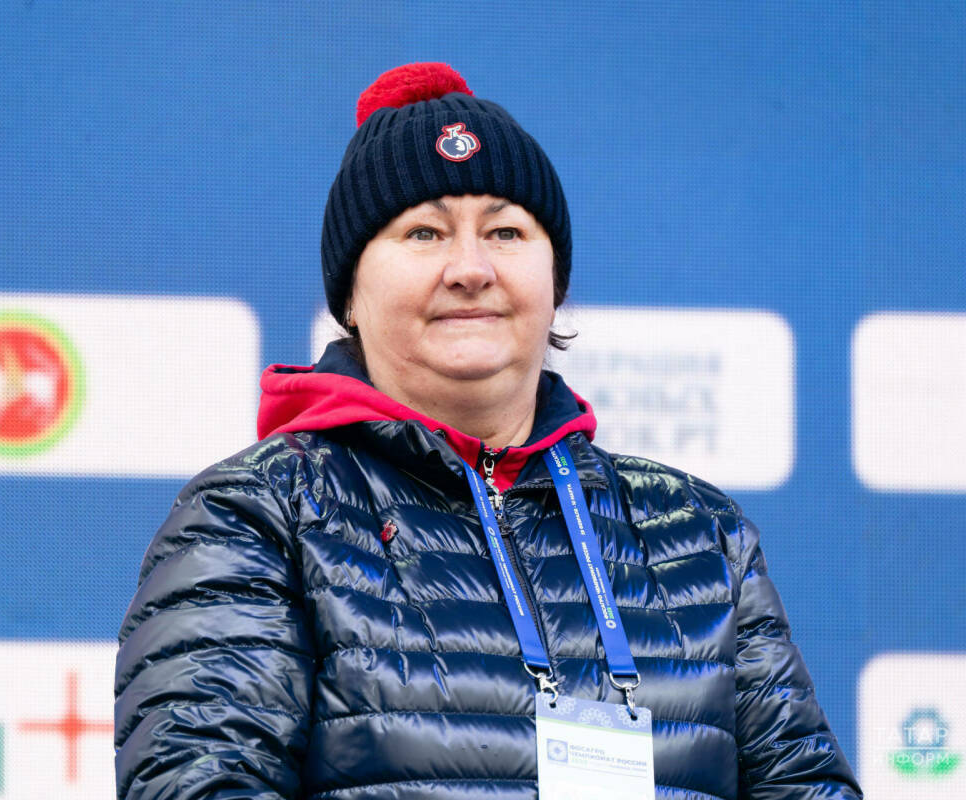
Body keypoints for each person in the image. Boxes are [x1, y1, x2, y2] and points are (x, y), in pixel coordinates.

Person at [114, 62, 862, 800]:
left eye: (505, 232)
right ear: (349, 296)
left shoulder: (698, 532)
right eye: (424, 233)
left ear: (554, 283)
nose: (470, 269)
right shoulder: (260, 514)